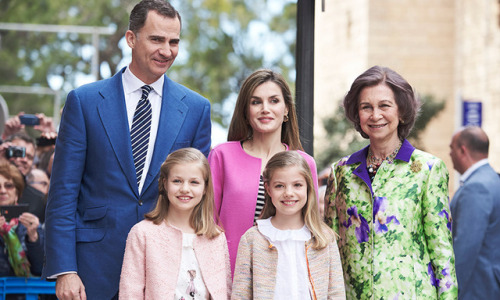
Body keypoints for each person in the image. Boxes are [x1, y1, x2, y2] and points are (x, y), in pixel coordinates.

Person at [42, 0, 212, 299]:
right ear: (131, 39)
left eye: (174, 42)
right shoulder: (84, 102)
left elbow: (198, 198)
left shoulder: (196, 109)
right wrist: (65, 269)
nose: (167, 50)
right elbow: (63, 192)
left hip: (166, 272)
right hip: (92, 269)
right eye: (157, 39)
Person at [324, 66, 458, 299]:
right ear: (357, 114)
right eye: (366, 107)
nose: (375, 115)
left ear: (402, 112)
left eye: (384, 106)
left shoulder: (428, 169)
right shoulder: (341, 173)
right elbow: (330, 254)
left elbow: (442, 254)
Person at [208, 69, 319, 276]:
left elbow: (312, 229)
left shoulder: (305, 163)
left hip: (287, 279)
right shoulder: (222, 156)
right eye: (256, 102)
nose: (265, 109)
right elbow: (206, 225)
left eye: (274, 101)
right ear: (246, 110)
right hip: (229, 277)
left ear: (286, 109)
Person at [119, 148, 231, 299]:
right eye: (177, 181)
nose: (185, 189)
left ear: (205, 188)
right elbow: (130, 293)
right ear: (165, 184)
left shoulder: (216, 238)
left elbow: (226, 292)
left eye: (194, 182)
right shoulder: (142, 233)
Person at [232, 151, 345, 299]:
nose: (289, 193)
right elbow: (240, 295)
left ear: (308, 187)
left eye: (297, 185)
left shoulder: (324, 238)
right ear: (268, 189)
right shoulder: (252, 239)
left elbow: (336, 293)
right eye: (279, 186)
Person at [449, 126, 500, 299]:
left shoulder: (476, 187)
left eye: (451, 148)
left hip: (477, 288)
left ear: (462, 150)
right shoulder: (492, 179)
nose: (449, 154)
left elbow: (466, 246)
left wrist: (451, 291)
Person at [0, 161, 44, 278]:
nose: (3, 190)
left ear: (17, 193)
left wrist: (33, 237)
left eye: (8, 185)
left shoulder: (28, 223)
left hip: (24, 294)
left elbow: (40, 268)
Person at [1, 133, 46, 223]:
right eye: (19, 153)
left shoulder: (39, 200)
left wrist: (35, 235)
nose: (24, 160)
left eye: (29, 157)